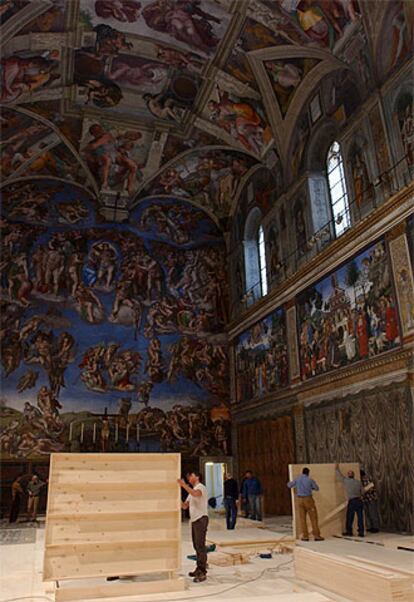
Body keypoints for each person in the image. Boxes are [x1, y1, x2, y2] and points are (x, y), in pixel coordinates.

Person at [178, 471, 208, 582]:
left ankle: (202, 571)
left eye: (191, 475)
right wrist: (177, 494)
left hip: (201, 519)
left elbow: (197, 494)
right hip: (195, 520)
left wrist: (183, 485)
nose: (189, 477)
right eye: (188, 476)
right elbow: (185, 506)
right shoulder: (190, 492)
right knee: (196, 545)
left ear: (197, 477)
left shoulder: (201, 487)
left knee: (200, 546)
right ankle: (198, 568)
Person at [287, 467, 324, 541]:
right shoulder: (310, 480)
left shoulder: (297, 479)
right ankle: (316, 536)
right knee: (313, 518)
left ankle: (305, 536)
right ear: (308, 473)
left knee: (302, 518)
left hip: (300, 499)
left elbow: (289, 485)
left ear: (302, 472)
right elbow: (316, 488)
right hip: (308, 499)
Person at [335, 463, 364, 537]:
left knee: (350, 517)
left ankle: (349, 531)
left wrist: (336, 468)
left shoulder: (346, 481)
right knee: (360, 517)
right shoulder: (358, 482)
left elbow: (339, 476)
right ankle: (361, 532)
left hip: (352, 501)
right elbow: (363, 491)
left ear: (348, 475)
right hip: (359, 500)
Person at [360, 469, 380, 533]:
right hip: (365, 499)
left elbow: (370, 489)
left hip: (371, 499)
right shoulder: (360, 480)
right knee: (367, 514)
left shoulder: (366, 479)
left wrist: (364, 491)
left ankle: (376, 527)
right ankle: (371, 527)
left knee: (372, 513)